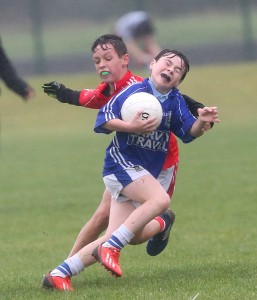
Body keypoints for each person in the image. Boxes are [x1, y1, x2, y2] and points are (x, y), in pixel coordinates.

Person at [42, 48, 220, 291]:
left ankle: (59, 274)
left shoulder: (176, 101)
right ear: (152, 64)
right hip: (120, 164)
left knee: (131, 233)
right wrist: (129, 125)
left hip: (143, 170)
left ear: (179, 80)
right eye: (167, 64)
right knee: (159, 201)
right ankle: (112, 247)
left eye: (177, 70)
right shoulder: (133, 91)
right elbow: (103, 120)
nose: (170, 70)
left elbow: (189, 133)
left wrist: (201, 121)